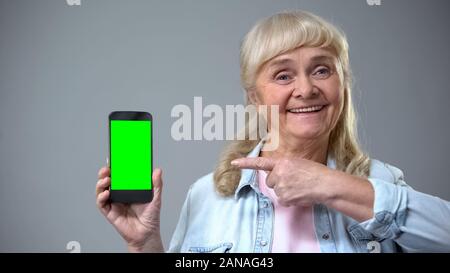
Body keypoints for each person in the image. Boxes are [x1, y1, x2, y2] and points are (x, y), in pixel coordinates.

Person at [96, 10, 450, 253]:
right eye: (283, 75)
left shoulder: (379, 180)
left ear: (343, 84)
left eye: (322, 70)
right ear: (254, 96)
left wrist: (328, 183)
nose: (307, 89)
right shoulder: (207, 195)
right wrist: (145, 245)